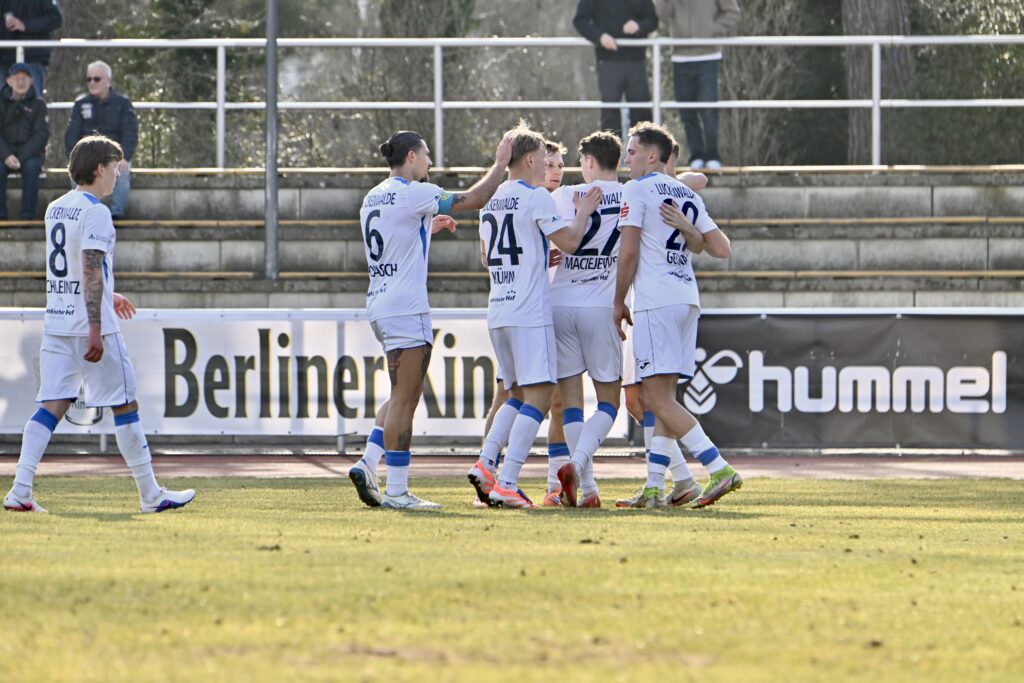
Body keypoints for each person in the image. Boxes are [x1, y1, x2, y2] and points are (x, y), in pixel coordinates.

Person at [3, 135, 196, 514]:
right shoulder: (97, 212)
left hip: (57, 322)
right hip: (90, 326)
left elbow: (79, 270)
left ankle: (20, 489)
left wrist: (110, 293)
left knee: (51, 405)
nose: (118, 175)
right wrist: (96, 325)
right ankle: (151, 496)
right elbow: (90, 268)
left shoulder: (57, 207)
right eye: (115, 167)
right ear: (99, 169)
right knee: (126, 404)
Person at [347, 130, 514, 511]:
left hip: (380, 304)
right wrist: (500, 164)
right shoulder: (415, 192)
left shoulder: (374, 195)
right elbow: (475, 199)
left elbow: (394, 235)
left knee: (397, 395)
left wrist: (427, 227)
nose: (430, 163)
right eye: (426, 155)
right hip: (407, 308)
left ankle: (368, 463)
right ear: (410, 157)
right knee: (407, 399)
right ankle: (397, 492)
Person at [467, 122, 601, 509]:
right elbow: (572, 242)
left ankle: (487, 463)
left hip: (499, 308)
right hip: (529, 310)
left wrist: (538, 253)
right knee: (540, 396)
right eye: (544, 159)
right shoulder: (537, 197)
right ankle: (507, 479)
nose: (548, 167)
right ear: (529, 159)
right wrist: (583, 212)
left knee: (515, 394)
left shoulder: (491, 200)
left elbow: (484, 256)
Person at [613, 121, 740, 508]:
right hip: (686, 297)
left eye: (632, 151)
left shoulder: (636, 189)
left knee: (655, 397)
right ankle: (655, 487)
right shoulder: (684, 192)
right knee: (663, 396)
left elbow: (629, 252)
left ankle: (718, 468)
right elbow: (722, 248)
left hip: (657, 300)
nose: (627, 159)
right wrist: (689, 228)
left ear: (653, 155)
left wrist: (618, 301)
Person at [656, 0, 740, 170]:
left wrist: (711, 29)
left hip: (708, 56)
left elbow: (733, 13)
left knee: (709, 109)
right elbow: (662, 13)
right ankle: (697, 154)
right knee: (687, 110)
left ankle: (713, 154)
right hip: (680, 56)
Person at [64, 61, 138, 220]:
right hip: (88, 154)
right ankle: (85, 212)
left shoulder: (123, 104)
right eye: (89, 79)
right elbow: (71, 134)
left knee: (123, 171)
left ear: (108, 80)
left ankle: (116, 214)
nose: (92, 82)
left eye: (96, 79)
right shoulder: (80, 104)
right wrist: (74, 157)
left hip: (114, 155)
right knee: (75, 171)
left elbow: (130, 133)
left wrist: (124, 157)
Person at [574, 0, 659, 135]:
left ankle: (644, 154)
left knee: (642, 114)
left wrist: (639, 26)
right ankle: (611, 155)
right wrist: (600, 37)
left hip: (636, 61)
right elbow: (580, 20)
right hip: (608, 61)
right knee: (610, 114)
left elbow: (653, 20)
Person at [0, 61, 46, 219]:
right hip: (3, 154)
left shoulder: (39, 105)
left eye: (25, 78)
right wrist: (6, 155)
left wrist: (20, 156)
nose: (21, 82)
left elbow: (41, 135)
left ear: (31, 81)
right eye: (17, 78)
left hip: (29, 155)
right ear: (8, 81)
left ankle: (27, 215)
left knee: (32, 167)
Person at [0, 0, 62, 96]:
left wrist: (25, 25)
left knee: (33, 104)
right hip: (4, 60)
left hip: (33, 58)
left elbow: (55, 19)